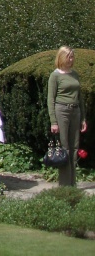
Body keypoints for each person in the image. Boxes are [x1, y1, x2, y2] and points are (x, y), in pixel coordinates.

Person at [49, 46, 88, 187]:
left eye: (72, 57)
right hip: (62, 111)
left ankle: (73, 183)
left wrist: (83, 118)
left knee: (74, 147)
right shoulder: (55, 76)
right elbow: (50, 99)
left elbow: (80, 98)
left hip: (75, 111)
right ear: (62, 57)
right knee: (64, 148)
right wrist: (53, 121)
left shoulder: (74, 74)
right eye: (69, 57)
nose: (71, 60)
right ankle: (65, 186)